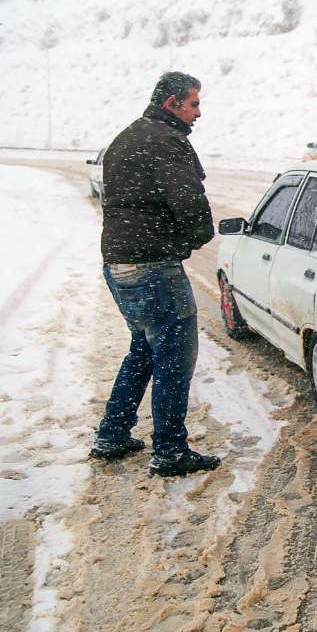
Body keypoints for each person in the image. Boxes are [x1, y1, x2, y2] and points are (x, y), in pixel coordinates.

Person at [93, 71, 220, 477]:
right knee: (175, 358)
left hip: (119, 264)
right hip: (153, 266)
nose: (198, 113)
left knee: (145, 349)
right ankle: (169, 452)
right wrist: (196, 237)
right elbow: (189, 202)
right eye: (193, 104)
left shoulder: (129, 136)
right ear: (172, 104)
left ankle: (112, 434)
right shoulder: (167, 141)